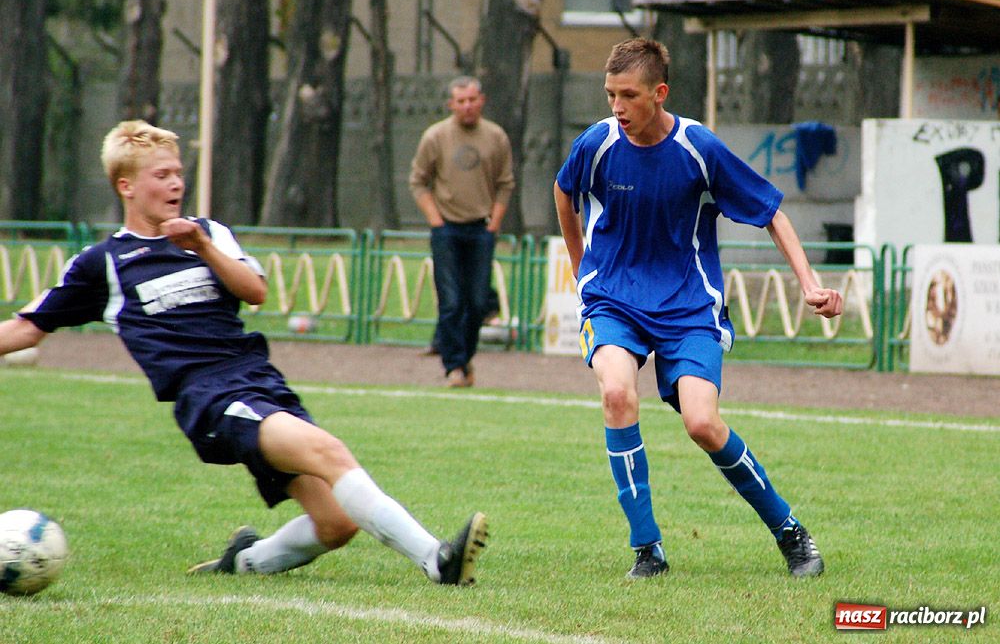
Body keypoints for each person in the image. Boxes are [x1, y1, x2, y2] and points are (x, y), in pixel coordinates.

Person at [0, 120, 488, 585]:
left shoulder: (208, 232)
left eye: (178, 174)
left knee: (337, 523)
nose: (175, 184)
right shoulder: (103, 263)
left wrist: (202, 246)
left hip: (259, 380)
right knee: (329, 452)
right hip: (208, 398)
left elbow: (254, 291)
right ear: (126, 186)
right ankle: (435, 559)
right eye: (161, 175)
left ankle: (245, 561)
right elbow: (26, 330)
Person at [553, 39, 843, 579]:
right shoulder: (597, 143)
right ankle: (648, 550)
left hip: (689, 308)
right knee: (617, 393)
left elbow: (770, 212)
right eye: (610, 94)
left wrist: (809, 284)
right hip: (614, 299)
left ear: (659, 94)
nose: (616, 107)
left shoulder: (697, 146)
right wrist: (582, 268)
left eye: (629, 95)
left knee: (702, 423)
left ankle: (790, 533)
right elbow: (563, 190)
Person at [409, 76, 515, 387]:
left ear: (481, 100)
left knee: (478, 301)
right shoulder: (436, 136)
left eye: (472, 100)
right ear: (451, 104)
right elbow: (418, 181)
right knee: (452, 300)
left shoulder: (496, 137)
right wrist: (435, 220)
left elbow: (505, 183)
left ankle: (465, 359)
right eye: (461, 101)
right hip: (447, 230)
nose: (467, 106)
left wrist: (494, 222)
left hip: (481, 229)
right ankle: (453, 365)